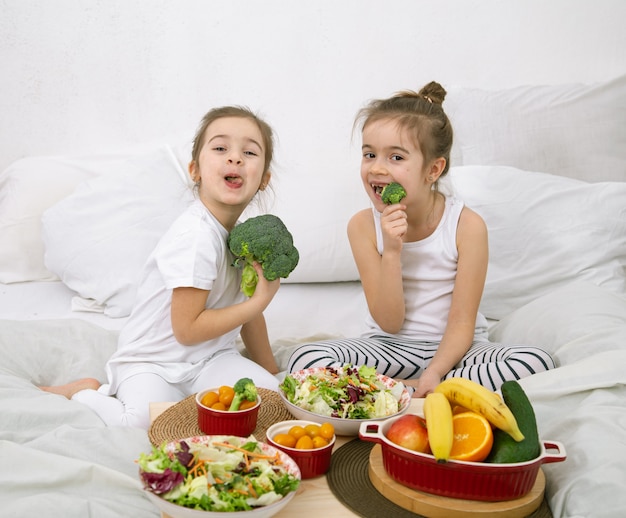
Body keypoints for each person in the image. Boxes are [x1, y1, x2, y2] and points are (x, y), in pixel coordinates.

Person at [287, 82, 556, 398]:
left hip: (457, 353)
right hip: (389, 348)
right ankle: (428, 391)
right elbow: (389, 321)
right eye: (369, 154)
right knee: (306, 359)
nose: (377, 168)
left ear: (433, 170)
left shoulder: (466, 226)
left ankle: (404, 391)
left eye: (396, 157)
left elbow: (461, 323)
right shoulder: (361, 226)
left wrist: (435, 372)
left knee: (535, 361)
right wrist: (391, 250)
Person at [42, 106, 282, 428]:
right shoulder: (195, 237)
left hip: (211, 359)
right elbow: (187, 329)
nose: (235, 158)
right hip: (153, 362)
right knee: (142, 423)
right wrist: (260, 301)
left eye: (249, 152)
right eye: (221, 148)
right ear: (195, 170)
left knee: (276, 404)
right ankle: (86, 392)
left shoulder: (244, 239)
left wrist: (272, 373)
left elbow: (247, 312)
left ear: (264, 178)